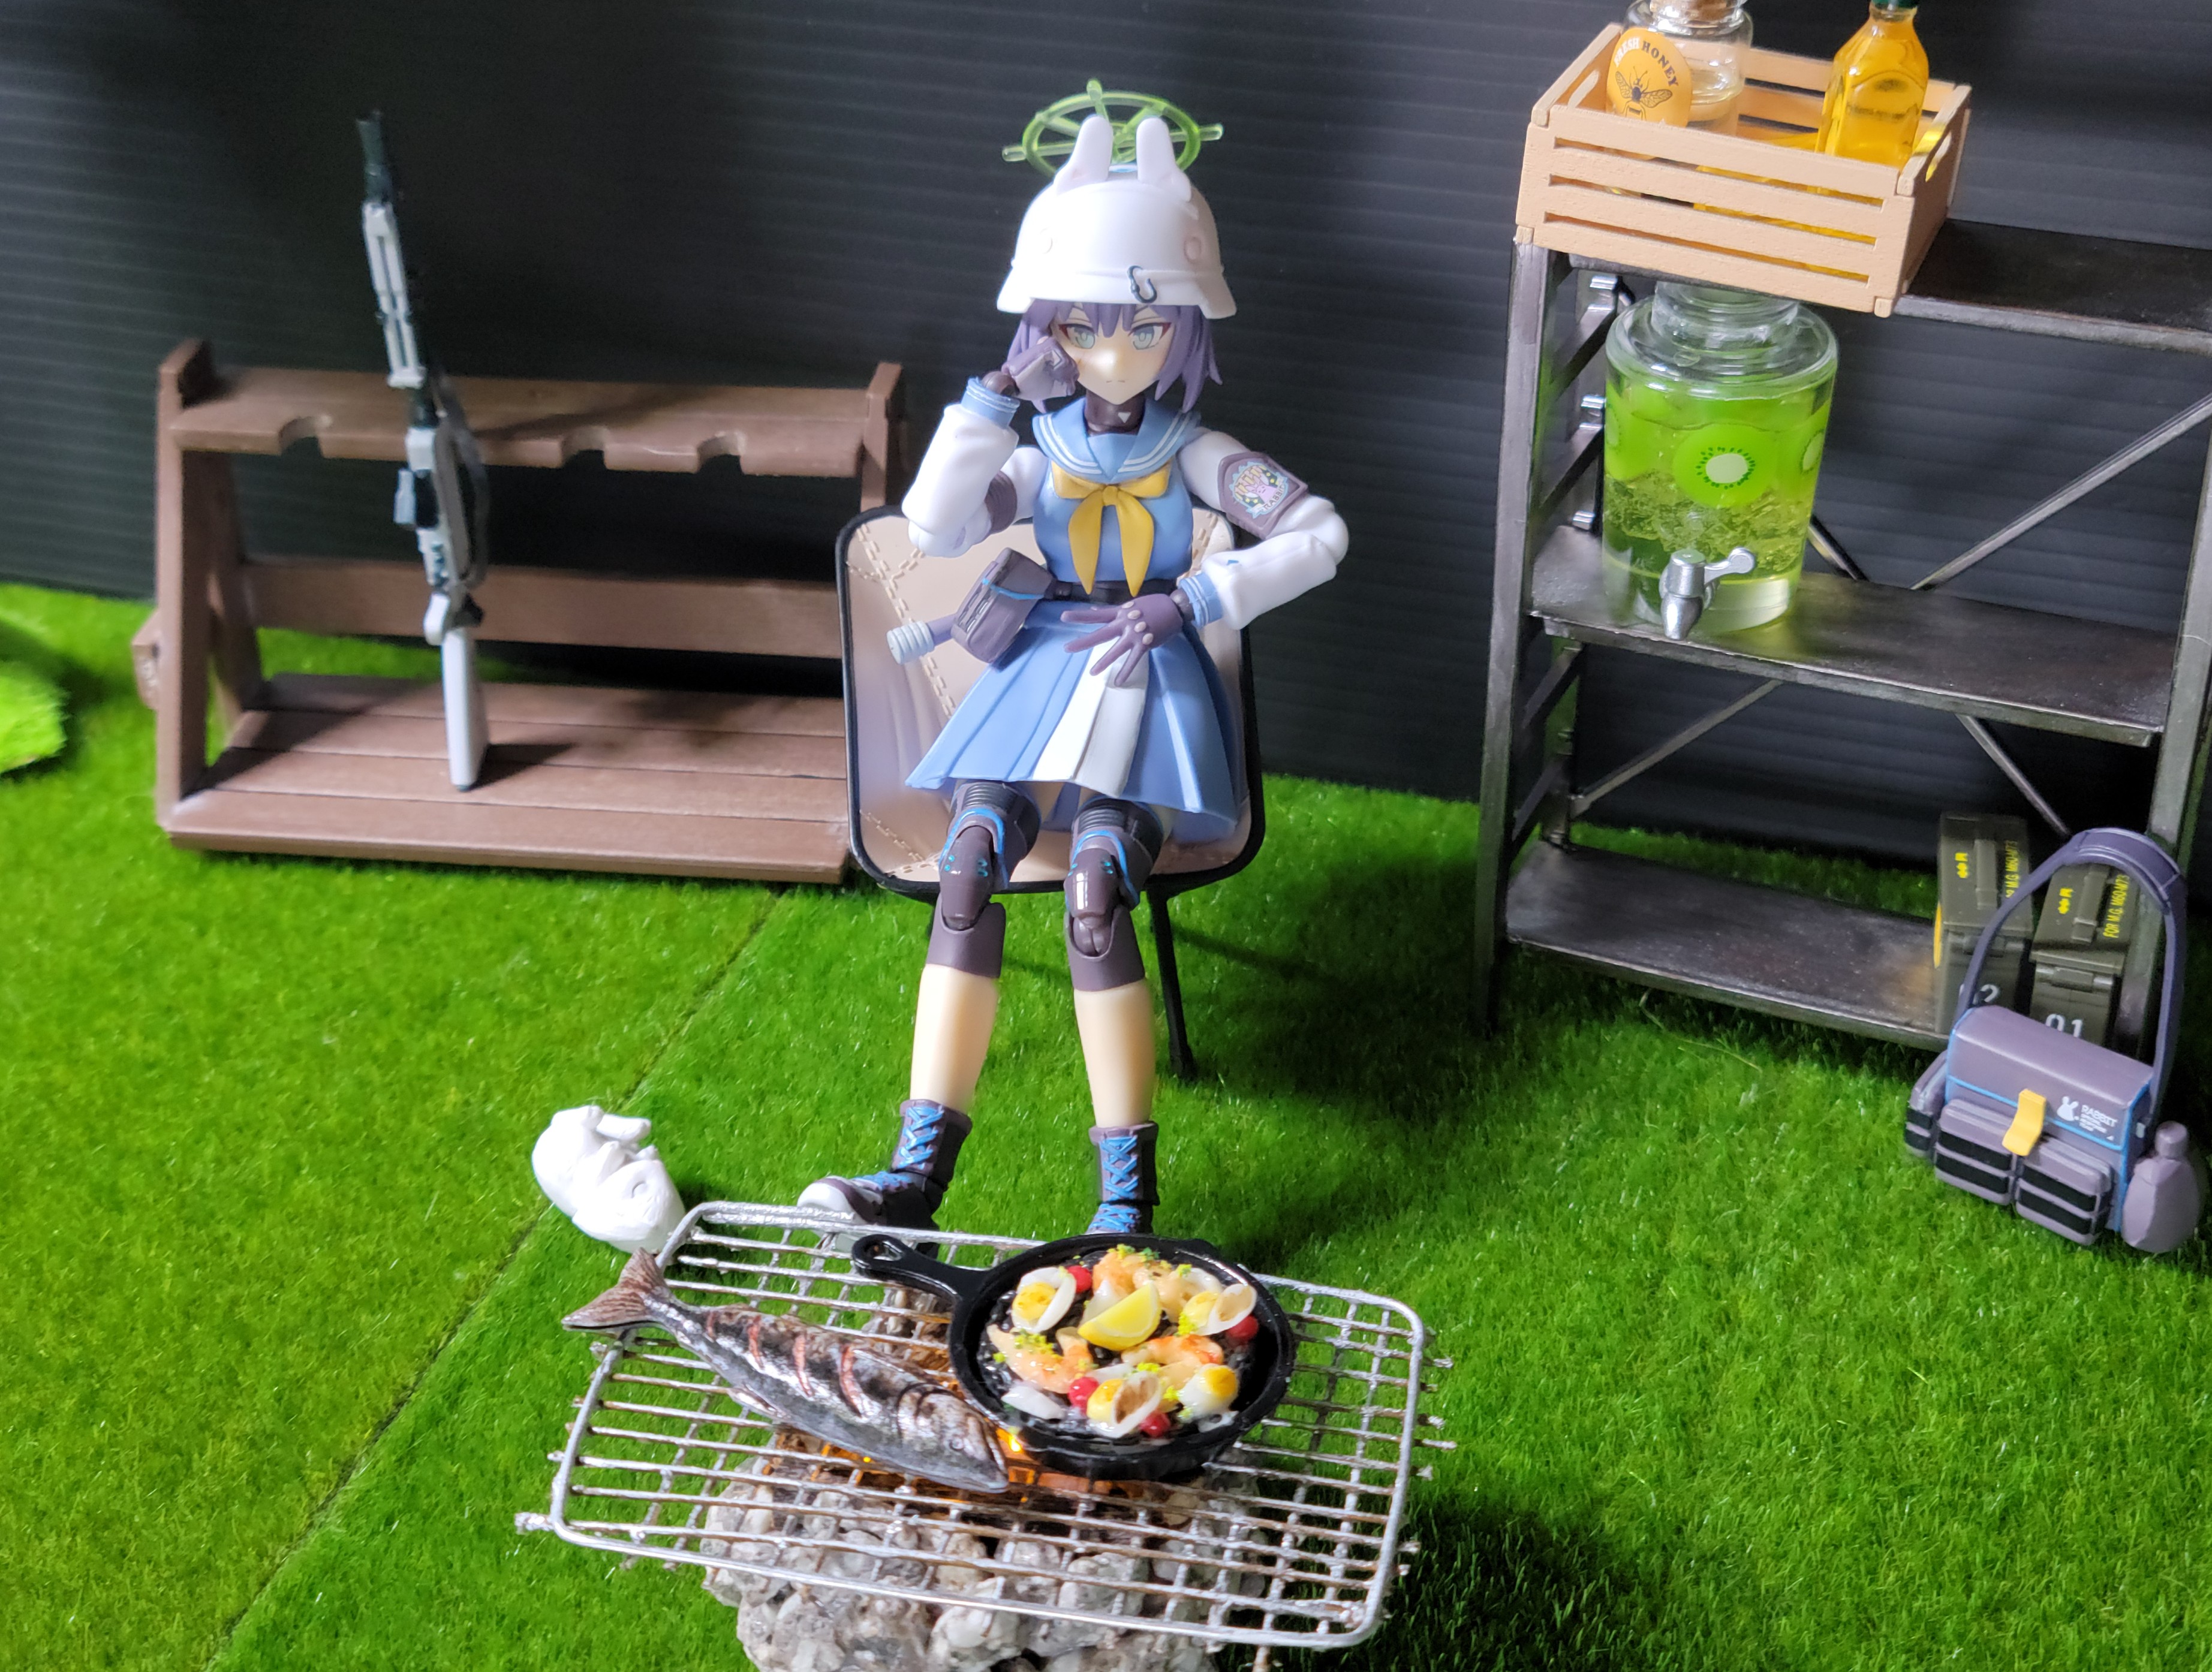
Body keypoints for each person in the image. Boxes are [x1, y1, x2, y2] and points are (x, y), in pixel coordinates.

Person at [802, 111, 1348, 1236]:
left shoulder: (1196, 453)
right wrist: (994, 394)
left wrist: (1195, 598)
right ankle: (913, 1173)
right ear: (1048, 328)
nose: (1116, 352)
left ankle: (1125, 1203)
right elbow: (930, 526)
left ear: (1182, 327)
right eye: (1085, 327)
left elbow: (1320, 534)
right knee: (966, 869)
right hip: (1036, 667)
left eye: (1145, 326)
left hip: (1149, 670)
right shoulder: (1032, 447)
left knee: (1096, 893)